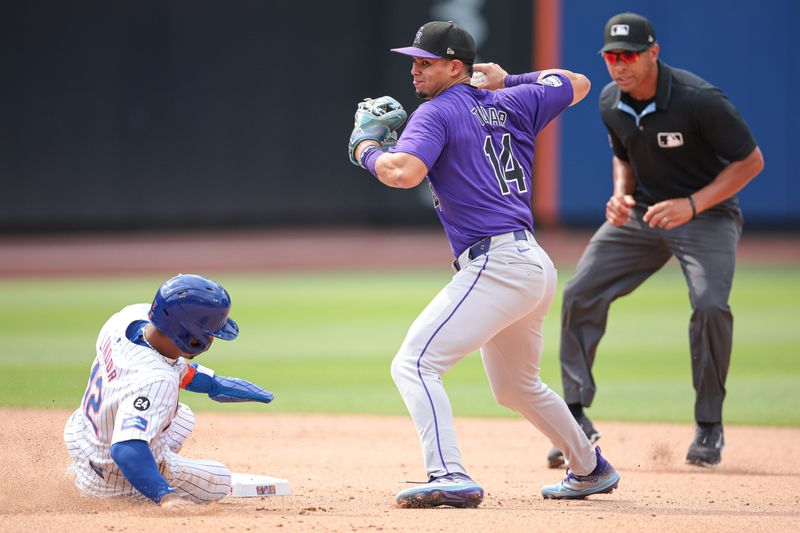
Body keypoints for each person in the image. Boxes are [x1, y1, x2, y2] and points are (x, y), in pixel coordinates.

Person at [347, 20, 620, 507]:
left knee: (414, 363)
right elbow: (577, 82)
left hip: (496, 265)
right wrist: (508, 80)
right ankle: (589, 467)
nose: (414, 70)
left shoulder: (435, 113)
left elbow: (404, 173)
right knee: (517, 386)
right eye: (413, 60)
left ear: (456, 67)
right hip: (533, 264)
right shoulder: (515, 101)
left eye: (425, 62)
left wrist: (366, 149)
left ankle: (447, 473)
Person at [549, 12, 765, 470]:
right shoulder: (610, 101)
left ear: (653, 53)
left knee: (710, 305)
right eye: (611, 56)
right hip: (644, 213)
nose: (619, 65)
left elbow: (750, 162)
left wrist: (692, 205)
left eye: (628, 55)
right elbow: (622, 155)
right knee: (579, 292)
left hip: (707, 215)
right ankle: (574, 416)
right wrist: (620, 195)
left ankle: (709, 426)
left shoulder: (698, 100)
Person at [64, 274, 275, 507]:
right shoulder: (158, 379)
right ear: (191, 338)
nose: (212, 339)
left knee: (183, 417)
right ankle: (143, 480)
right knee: (220, 480)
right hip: (110, 473)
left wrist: (216, 383)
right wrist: (167, 496)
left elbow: (173, 370)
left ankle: (137, 465)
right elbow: (125, 449)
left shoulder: (127, 318)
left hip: (81, 436)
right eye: (210, 333)